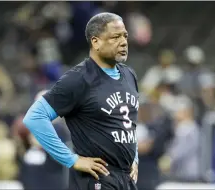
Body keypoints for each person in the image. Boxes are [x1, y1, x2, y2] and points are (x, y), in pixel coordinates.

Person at [23, 12, 139, 190]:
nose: (123, 42)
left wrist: (135, 157)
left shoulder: (129, 75)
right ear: (96, 42)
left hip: (126, 179)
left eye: (125, 36)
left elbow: (128, 124)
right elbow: (34, 117)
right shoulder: (79, 78)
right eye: (115, 37)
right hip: (95, 179)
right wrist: (71, 159)